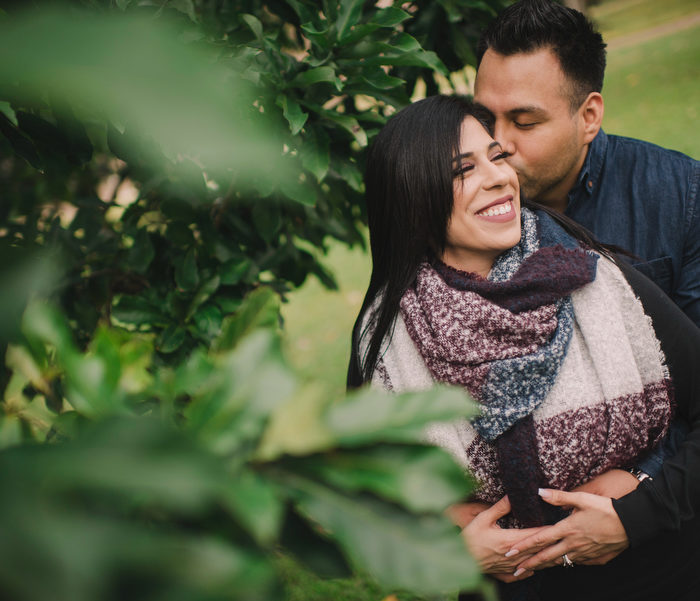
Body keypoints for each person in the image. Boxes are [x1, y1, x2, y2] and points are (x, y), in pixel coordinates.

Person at [347, 95, 700, 600]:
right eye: (463, 170)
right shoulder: (382, 345)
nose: (498, 177)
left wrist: (638, 512)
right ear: (414, 201)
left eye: (496, 157)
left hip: (665, 575)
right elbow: (370, 505)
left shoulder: (598, 281)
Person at [473, 0, 700, 327]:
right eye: (483, 117)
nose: (497, 143)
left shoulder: (681, 197)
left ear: (589, 117)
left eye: (523, 122)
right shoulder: (459, 208)